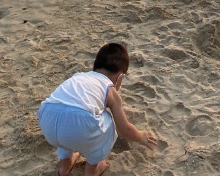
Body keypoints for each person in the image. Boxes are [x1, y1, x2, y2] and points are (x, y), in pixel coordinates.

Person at [37, 43, 157, 176]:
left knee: (66, 120)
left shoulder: (78, 76)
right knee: (108, 123)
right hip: (77, 123)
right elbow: (125, 129)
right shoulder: (110, 90)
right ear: (120, 78)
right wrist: (141, 136)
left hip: (47, 117)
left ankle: (64, 167)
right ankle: (92, 171)